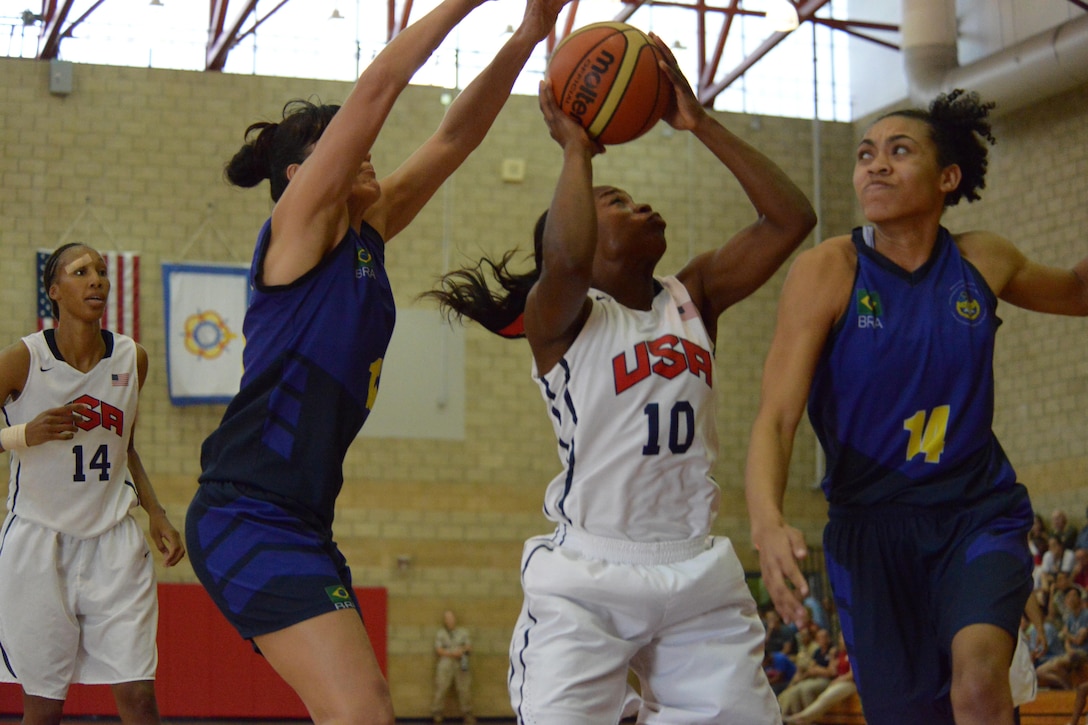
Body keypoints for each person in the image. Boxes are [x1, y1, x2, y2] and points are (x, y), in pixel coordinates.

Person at [183, 0, 569, 721]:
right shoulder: (295, 228)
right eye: (345, 145)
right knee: (362, 711)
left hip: (302, 517)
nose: (368, 152)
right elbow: (377, 89)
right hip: (246, 509)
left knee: (366, 707)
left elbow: (454, 137)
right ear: (302, 173)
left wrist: (527, 35)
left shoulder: (368, 231)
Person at [424, 37, 816, 724]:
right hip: (588, 577)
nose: (641, 205)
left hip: (694, 566)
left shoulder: (693, 294)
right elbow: (568, 261)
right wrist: (577, 150)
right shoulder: (560, 316)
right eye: (616, 201)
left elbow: (792, 219)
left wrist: (701, 123)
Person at [744, 87, 1088, 725]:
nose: (875, 165)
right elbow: (776, 418)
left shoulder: (983, 259)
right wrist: (765, 520)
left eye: (899, 152)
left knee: (980, 679)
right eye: (866, 154)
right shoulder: (828, 270)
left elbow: (1076, 292)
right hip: (871, 528)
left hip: (974, 512)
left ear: (947, 178)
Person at [0, 242, 186, 724]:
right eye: (81, 271)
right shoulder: (22, 359)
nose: (97, 279)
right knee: (43, 708)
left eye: (102, 271)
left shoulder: (132, 359)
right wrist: (24, 433)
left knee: (139, 695)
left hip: (114, 541)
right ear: (54, 291)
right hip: (40, 542)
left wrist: (156, 511)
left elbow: (127, 446)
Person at [782, 632, 854, 725]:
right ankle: (795, 716)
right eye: (840, 638)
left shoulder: (853, 654)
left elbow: (851, 674)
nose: (841, 641)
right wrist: (832, 658)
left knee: (819, 695)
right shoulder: (838, 653)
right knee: (796, 690)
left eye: (843, 638)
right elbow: (832, 671)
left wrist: (836, 680)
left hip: (848, 682)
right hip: (835, 681)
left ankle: (803, 719)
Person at [778, 627, 837, 718]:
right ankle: (796, 719)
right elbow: (811, 669)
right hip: (814, 678)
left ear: (828, 638)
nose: (821, 640)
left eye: (823, 637)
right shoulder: (818, 652)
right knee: (795, 690)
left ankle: (811, 719)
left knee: (806, 689)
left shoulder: (832, 650)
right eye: (819, 637)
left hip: (826, 679)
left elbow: (831, 672)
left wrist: (818, 670)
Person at [431, 610, 474, 724]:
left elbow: (469, 647)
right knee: (441, 688)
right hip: (446, 663)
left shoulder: (463, 633)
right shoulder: (441, 634)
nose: (450, 621)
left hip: (461, 663)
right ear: (445, 621)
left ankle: (467, 714)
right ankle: (437, 713)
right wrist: (452, 653)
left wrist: (462, 651)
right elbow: (439, 650)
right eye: (447, 619)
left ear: (455, 619)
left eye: (451, 618)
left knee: (464, 689)